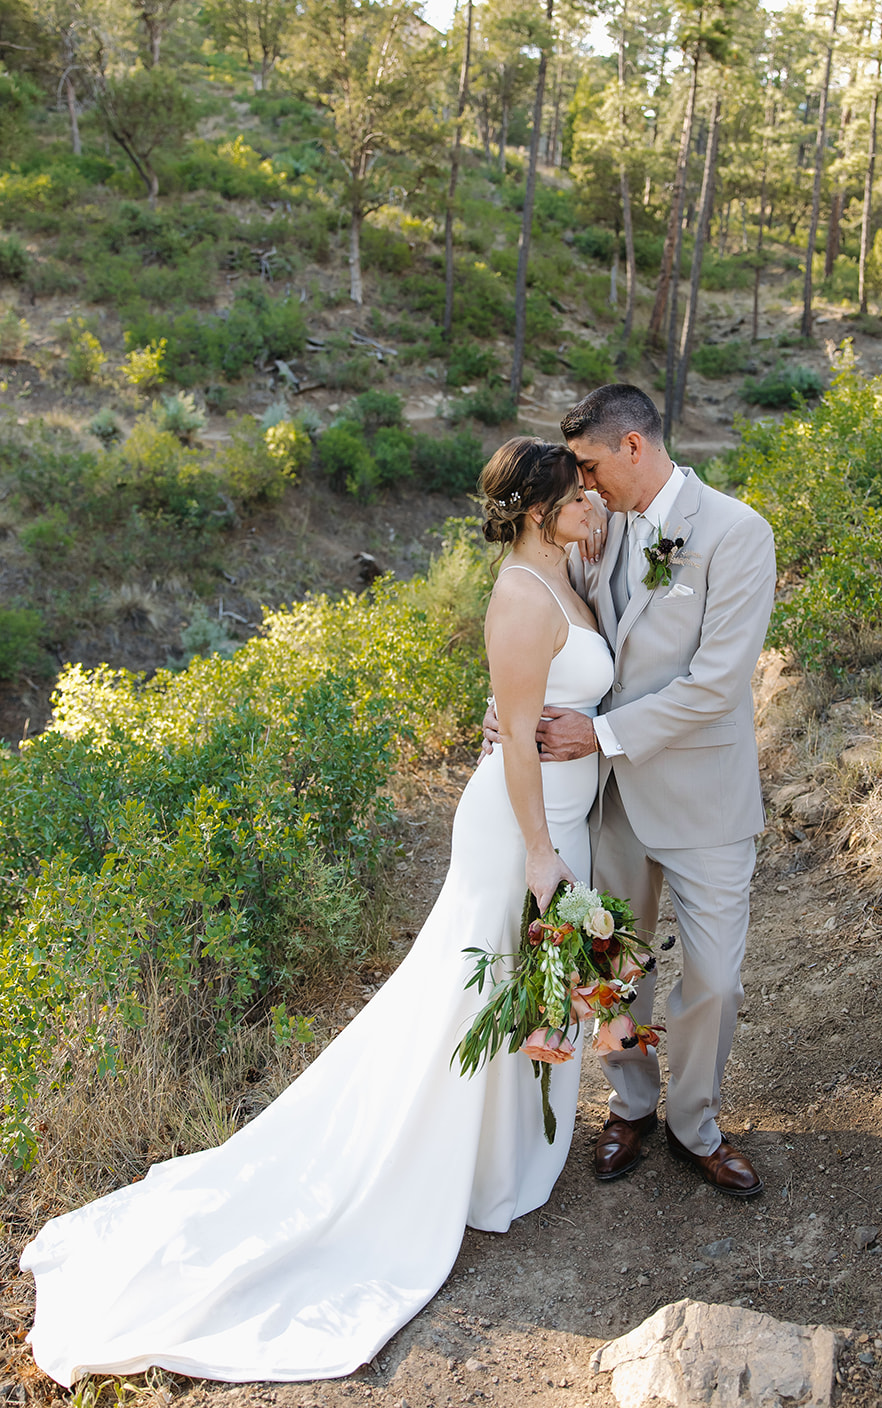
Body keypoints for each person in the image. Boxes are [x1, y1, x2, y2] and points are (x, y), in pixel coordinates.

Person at [20, 438, 614, 1388]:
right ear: (541, 509)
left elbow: (539, 708)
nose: (595, 503)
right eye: (579, 494)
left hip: (563, 818)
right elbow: (507, 747)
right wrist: (542, 854)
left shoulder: (573, 576)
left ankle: (507, 1159)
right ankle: (425, 1170)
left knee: (516, 986)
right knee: (469, 993)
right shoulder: (519, 594)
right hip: (519, 830)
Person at [538, 384, 775, 1196]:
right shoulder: (593, 532)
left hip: (703, 796)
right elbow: (555, 632)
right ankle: (631, 1105)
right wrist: (511, 712)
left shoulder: (737, 533)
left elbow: (716, 683)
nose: (584, 484)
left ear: (633, 447)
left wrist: (599, 733)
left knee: (715, 976)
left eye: (590, 465)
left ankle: (695, 1124)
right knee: (613, 967)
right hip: (609, 800)